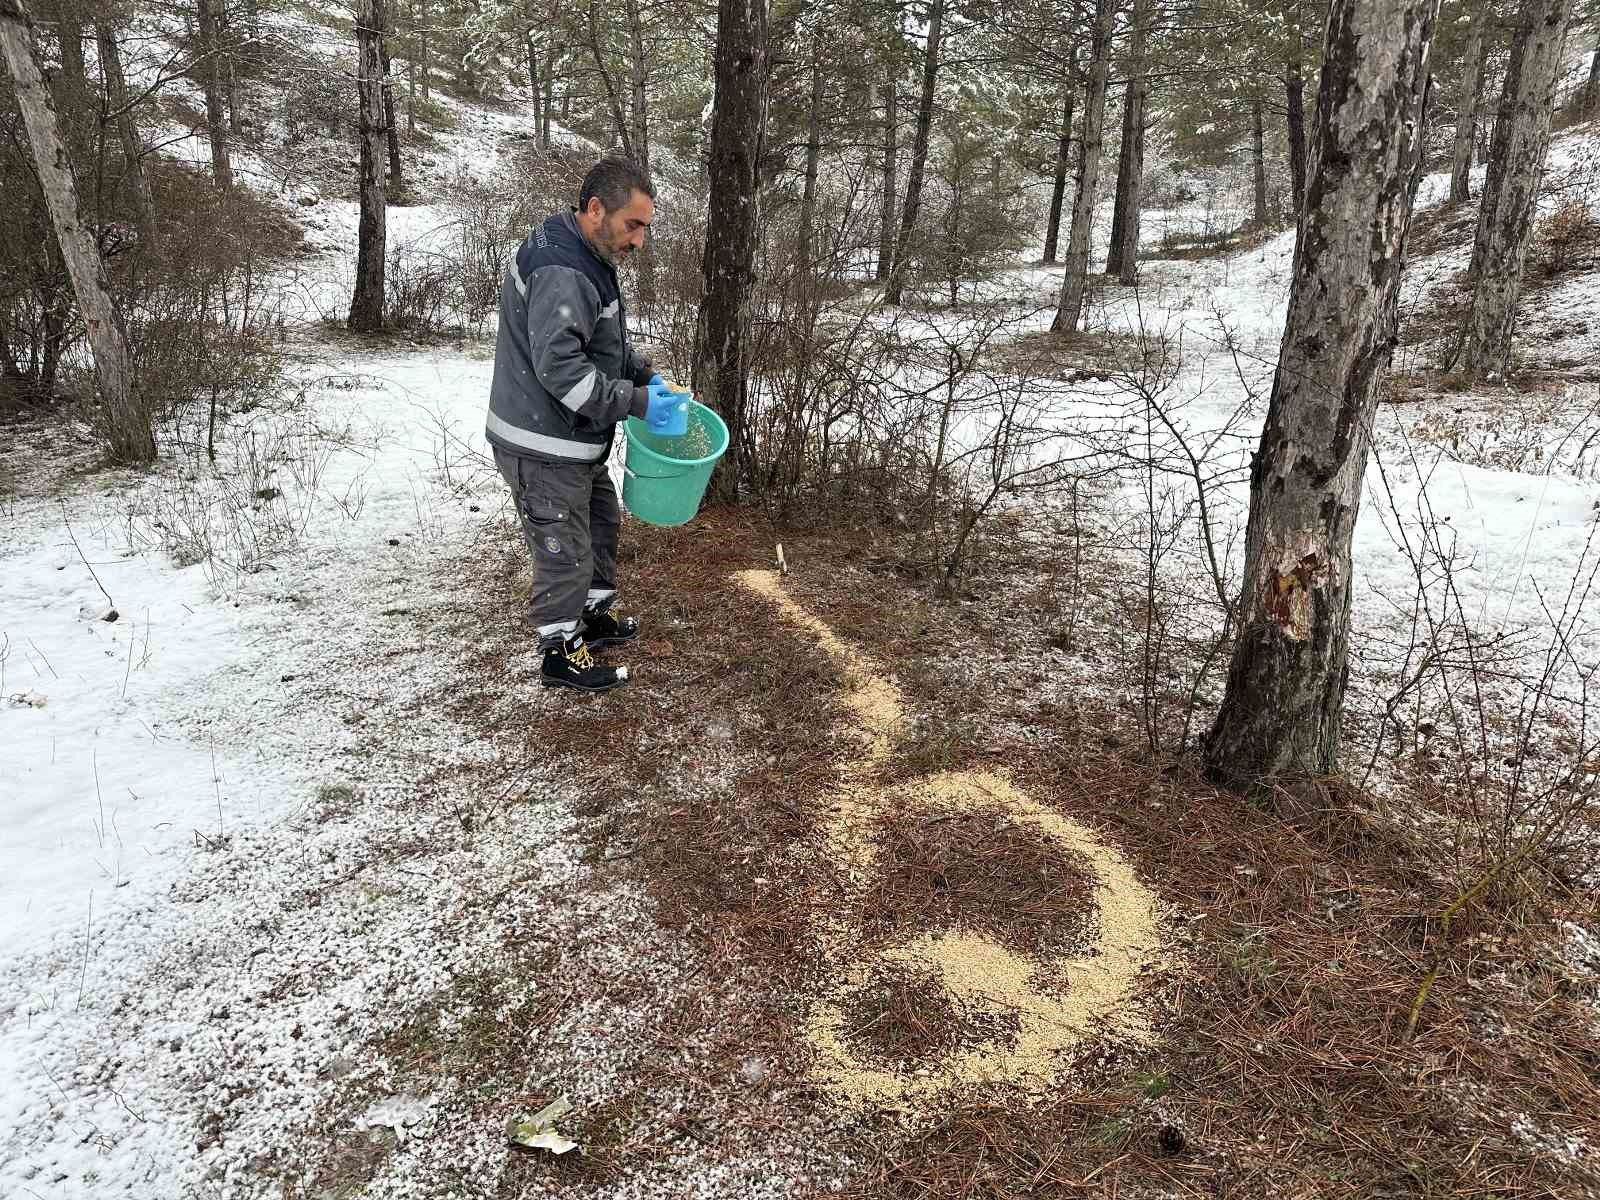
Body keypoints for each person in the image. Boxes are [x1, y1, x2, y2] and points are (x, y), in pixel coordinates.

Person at [485, 156, 683, 692]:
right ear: (595, 210)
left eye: (645, 227)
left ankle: (592, 621)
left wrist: (644, 374)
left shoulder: (585, 251)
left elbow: (596, 340)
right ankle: (559, 651)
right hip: (543, 442)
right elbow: (563, 372)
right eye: (633, 225)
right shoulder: (564, 270)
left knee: (600, 525)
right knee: (564, 549)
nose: (639, 241)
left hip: (574, 440)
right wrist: (637, 402)